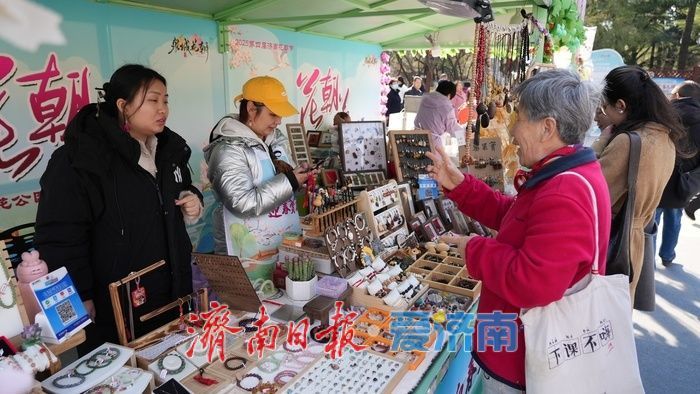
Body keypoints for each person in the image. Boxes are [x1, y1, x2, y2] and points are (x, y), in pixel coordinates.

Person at [429, 69, 610, 392]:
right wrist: (459, 185)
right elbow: (513, 217)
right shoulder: (563, 173)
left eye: (519, 118)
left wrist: (474, 248)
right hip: (516, 345)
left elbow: (532, 281)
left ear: (547, 127)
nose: (512, 131)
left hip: (524, 360)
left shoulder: (564, 191)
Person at [34, 64, 203, 354]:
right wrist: (81, 296)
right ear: (122, 105)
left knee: (172, 368)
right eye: (152, 100)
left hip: (171, 293)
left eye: (166, 100)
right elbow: (60, 236)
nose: (163, 108)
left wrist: (193, 198)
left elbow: (179, 187)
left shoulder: (168, 150)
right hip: (114, 306)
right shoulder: (81, 159)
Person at [204, 76, 315, 279]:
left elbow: (281, 180)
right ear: (252, 109)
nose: (279, 121)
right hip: (244, 253)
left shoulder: (274, 137)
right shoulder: (227, 150)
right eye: (273, 114)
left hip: (279, 241)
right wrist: (290, 181)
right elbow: (243, 203)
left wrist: (298, 176)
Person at [594, 65, 686, 303]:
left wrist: (601, 143)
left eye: (605, 107)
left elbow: (592, 195)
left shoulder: (628, 142)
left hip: (610, 243)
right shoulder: (664, 137)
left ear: (621, 105)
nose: (602, 113)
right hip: (634, 243)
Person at [655, 81, 700, 265]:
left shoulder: (663, 114)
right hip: (684, 179)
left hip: (659, 173)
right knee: (674, 218)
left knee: (652, 219)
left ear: (678, 96)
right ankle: (667, 255)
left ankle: (647, 261)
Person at [414, 80, 463, 146]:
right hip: (433, 144)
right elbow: (452, 127)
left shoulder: (425, 98)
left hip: (416, 138)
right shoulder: (446, 107)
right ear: (449, 95)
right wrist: (464, 135)